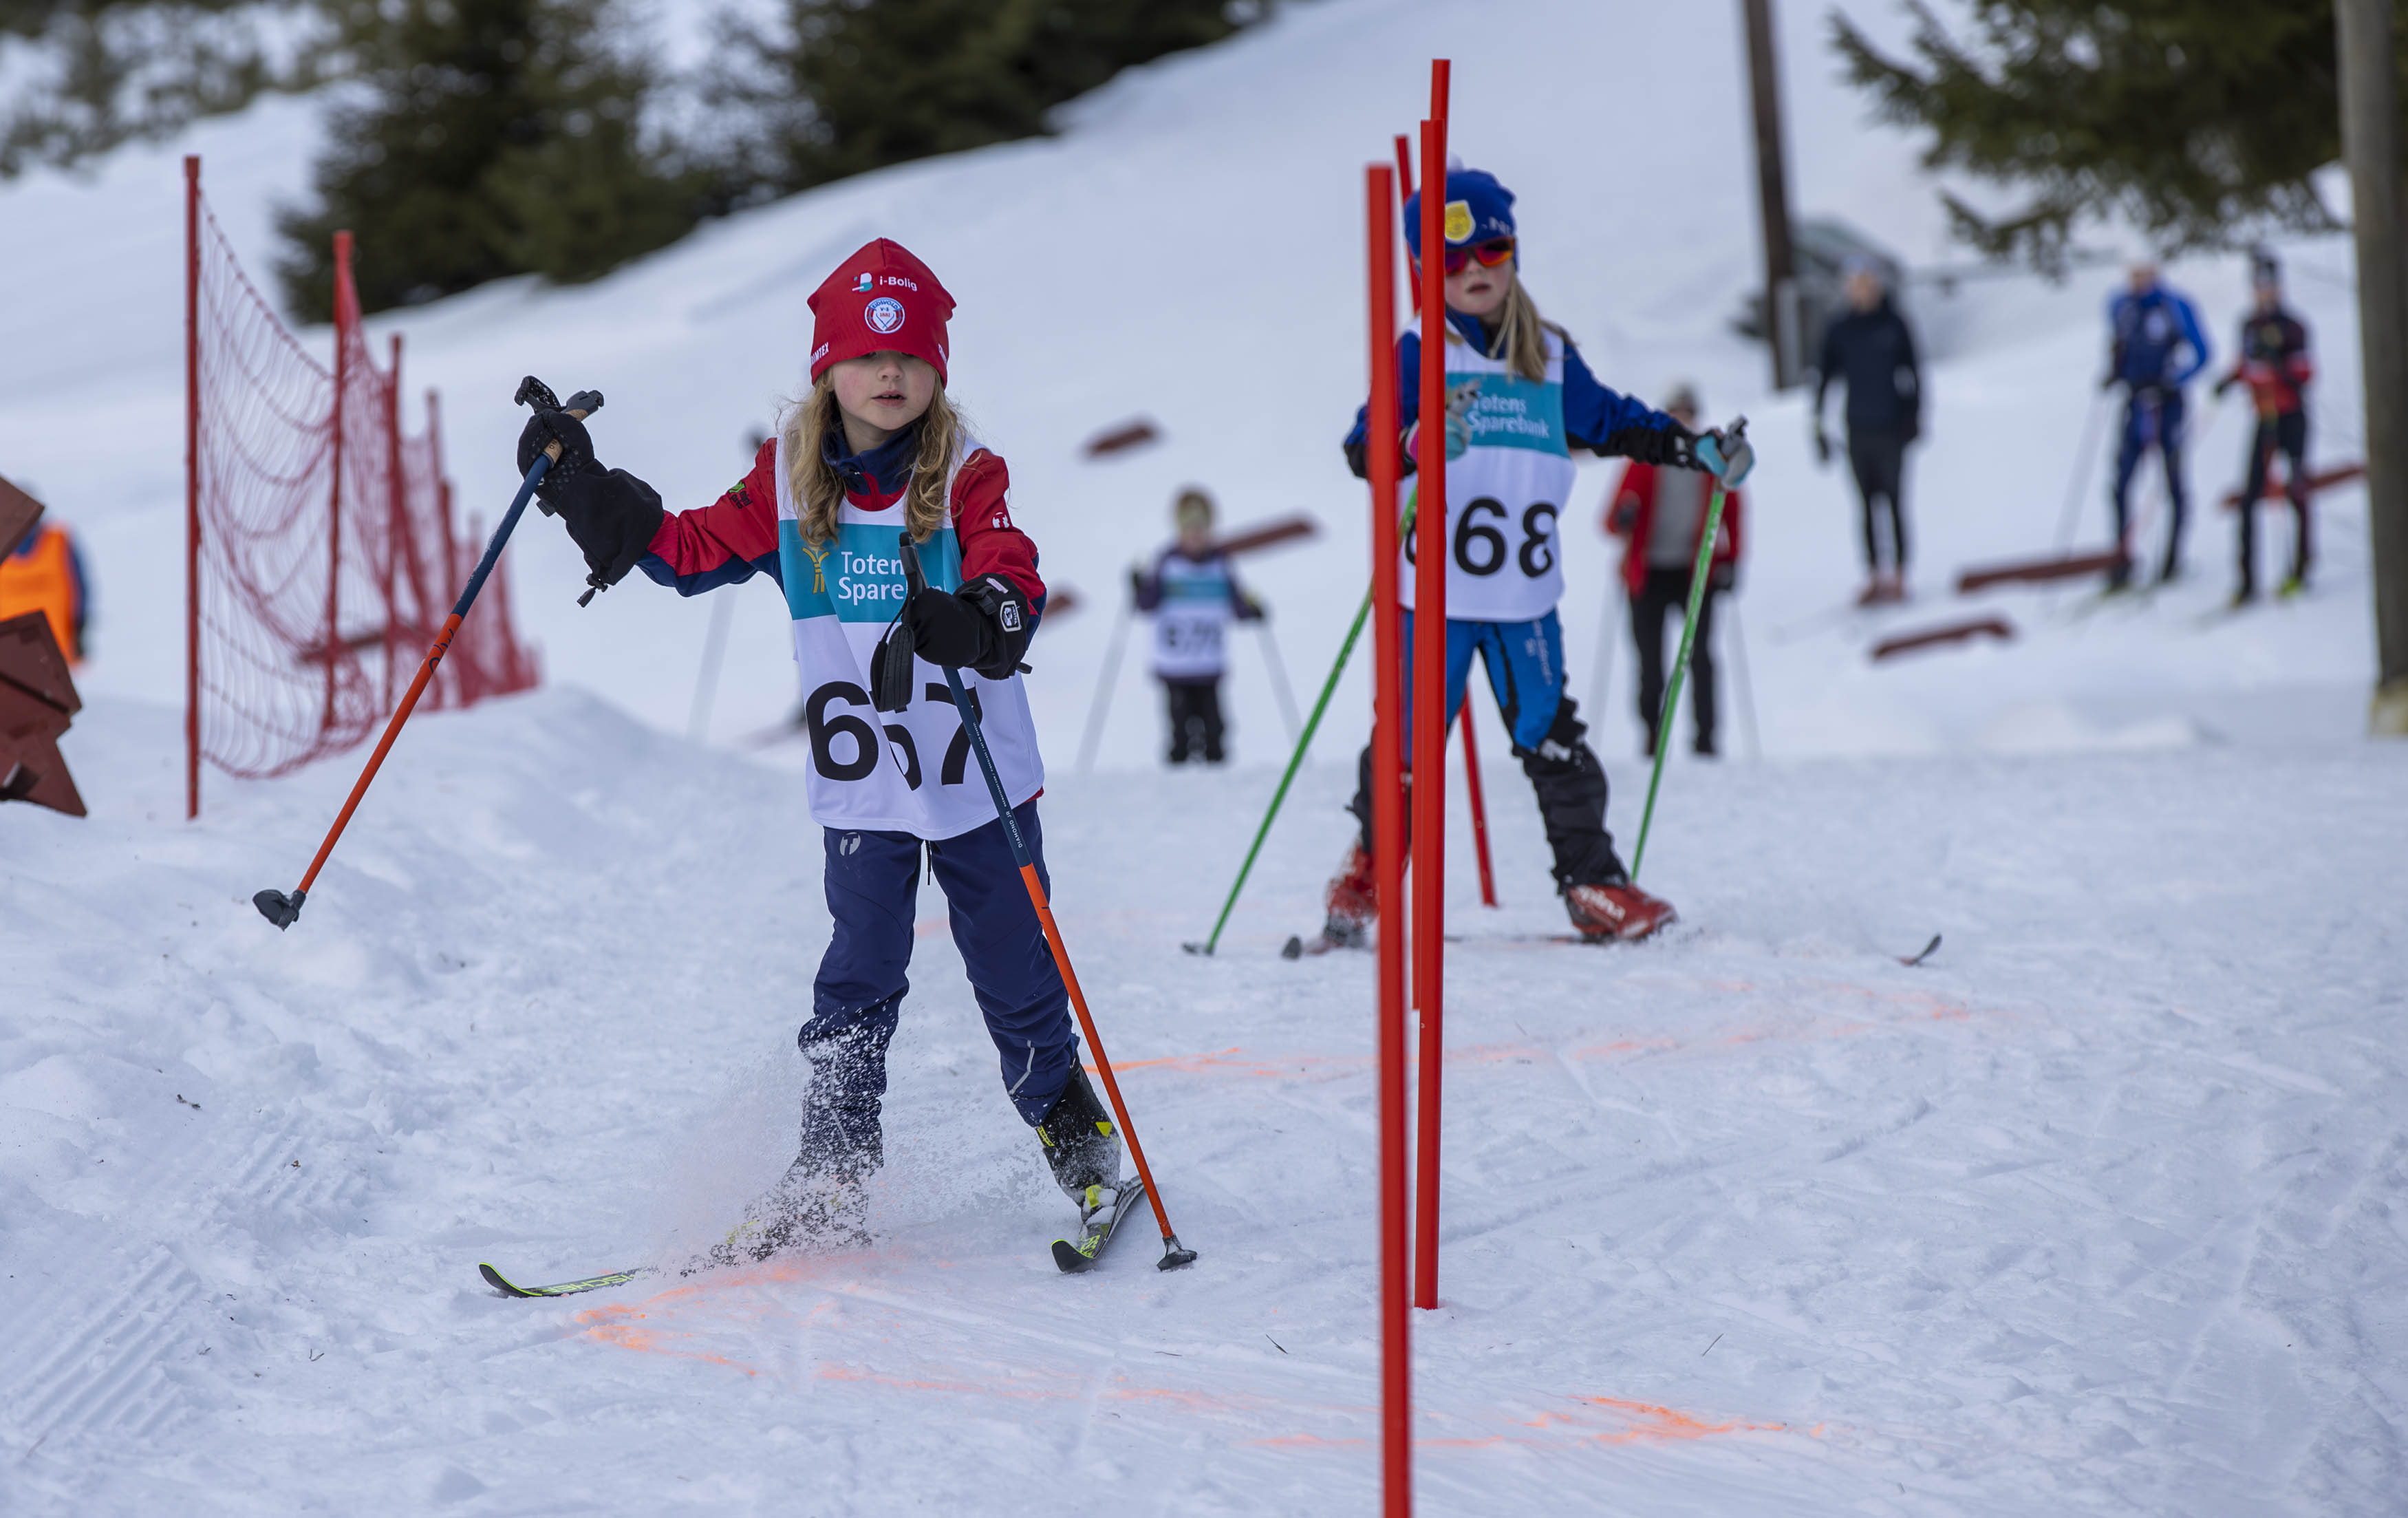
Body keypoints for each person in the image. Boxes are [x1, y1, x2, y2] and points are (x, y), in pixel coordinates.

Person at [514, 238, 1118, 1261]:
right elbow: (689, 551)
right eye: (866, 356)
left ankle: (1081, 1144)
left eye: (912, 357)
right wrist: (585, 488)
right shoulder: (788, 483)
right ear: (827, 369)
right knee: (856, 977)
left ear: (936, 372)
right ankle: (832, 1172)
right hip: (866, 786)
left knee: (1016, 973)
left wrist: (980, 615)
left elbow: (1013, 572)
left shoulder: (967, 475)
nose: (890, 374)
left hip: (975, 782)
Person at [1323, 167, 1752, 948]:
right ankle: (1370, 873)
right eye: (1450, 260)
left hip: (1521, 598)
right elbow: (1363, 451)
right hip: (1432, 599)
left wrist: (1696, 450)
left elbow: (1615, 423)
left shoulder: (1549, 357)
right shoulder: (1420, 352)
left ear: (1513, 253)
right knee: (1406, 749)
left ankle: (1593, 886)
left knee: (1553, 741)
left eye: (1490, 250)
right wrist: (1416, 442)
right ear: (1424, 270)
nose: (1474, 270)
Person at [1604, 384, 1743, 758]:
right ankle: (1652, 733)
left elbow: (1731, 511)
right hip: (1648, 574)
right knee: (1650, 662)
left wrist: (1732, 561)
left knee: (1701, 657)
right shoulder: (1646, 460)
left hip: (1695, 574)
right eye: (1676, 413)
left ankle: (1706, 738)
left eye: (1688, 413)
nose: (1683, 420)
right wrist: (1624, 517)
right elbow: (1611, 520)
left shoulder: (1711, 462)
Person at [1810, 259, 1920, 605]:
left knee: (1895, 501)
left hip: (1891, 427)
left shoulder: (1894, 323)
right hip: (1857, 428)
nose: (1862, 291)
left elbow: (1913, 373)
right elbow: (1824, 379)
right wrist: (1817, 426)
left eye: (1867, 284)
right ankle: (1873, 574)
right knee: (1865, 504)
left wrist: (1914, 417)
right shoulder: (1841, 329)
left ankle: (1899, 573)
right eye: (1856, 285)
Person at [1132, 487, 1262, 765]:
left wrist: (1252, 610)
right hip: (1175, 666)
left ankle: (1218, 782)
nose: (1196, 535)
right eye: (1189, 529)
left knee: (1216, 731)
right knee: (1179, 734)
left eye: (1201, 528)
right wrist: (1138, 586)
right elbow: (1146, 604)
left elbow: (1237, 602)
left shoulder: (1220, 563)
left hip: (1209, 665)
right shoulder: (1167, 562)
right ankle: (1176, 784)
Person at [2103, 259, 2211, 589]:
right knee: (2121, 482)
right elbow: (2120, 347)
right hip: (2135, 404)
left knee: (2172, 480)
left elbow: (2203, 354)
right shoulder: (2120, 305)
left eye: (2143, 273)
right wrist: (2115, 372)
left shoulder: (2174, 305)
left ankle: (2172, 558)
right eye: (2132, 274)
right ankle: (2122, 560)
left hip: (2168, 405)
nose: (2138, 281)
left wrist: (2175, 378)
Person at [2213, 252, 2314, 603]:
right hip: (2263, 417)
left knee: (2296, 491)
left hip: (2291, 417)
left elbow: (2305, 375)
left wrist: (2279, 366)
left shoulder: (2293, 326)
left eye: (2269, 285)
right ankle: (2247, 580)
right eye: (2258, 285)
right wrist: (2229, 381)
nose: (2264, 291)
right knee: (2249, 497)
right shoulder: (2249, 325)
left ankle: (2300, 569)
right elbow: (2245, 365)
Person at [0, 509, 91, 663]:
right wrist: (80, 629)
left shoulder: (58, 540)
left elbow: (80, 588)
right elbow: (81, 589)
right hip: (54, 651)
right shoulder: (59, 540)